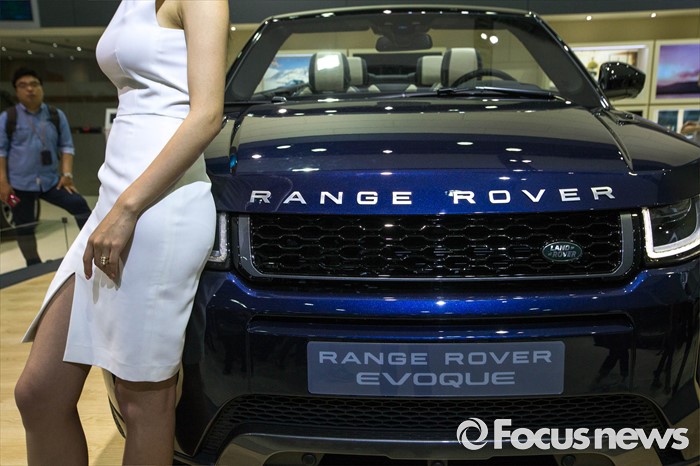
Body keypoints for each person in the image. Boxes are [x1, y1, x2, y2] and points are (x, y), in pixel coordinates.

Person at [14, 0, 229, 464]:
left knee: (142, 403)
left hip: (159, 205)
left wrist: (128, 209)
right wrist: (117, 207)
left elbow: (208, 115)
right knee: (39, 393)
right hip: (114, 199)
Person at [0, 68, 92, 266]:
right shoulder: (8, 118)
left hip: (51, 182)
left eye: (34, 84)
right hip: (19, 185)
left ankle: (90, 251)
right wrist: (3, 183)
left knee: (79, 205)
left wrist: (67, 174)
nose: (30, 89)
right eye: (23, 86)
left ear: (41, 87)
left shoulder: (55, 115)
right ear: (16, 91)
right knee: (24, 226)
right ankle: (33, 265)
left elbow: (66, 146)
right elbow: (1, 152)